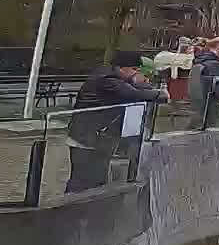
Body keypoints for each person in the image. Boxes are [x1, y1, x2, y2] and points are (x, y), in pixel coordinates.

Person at [66, 50, 164, 193]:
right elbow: (133, 94)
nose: (136, 73)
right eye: (134, 69)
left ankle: (87, 209)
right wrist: (160, 94)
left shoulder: (111, 77)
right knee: (82, 180)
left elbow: (133, 89)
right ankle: (70, 209)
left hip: (97, 138)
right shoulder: (107, 80)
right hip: (86, 138)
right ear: (121, 67)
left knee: (96, 179)